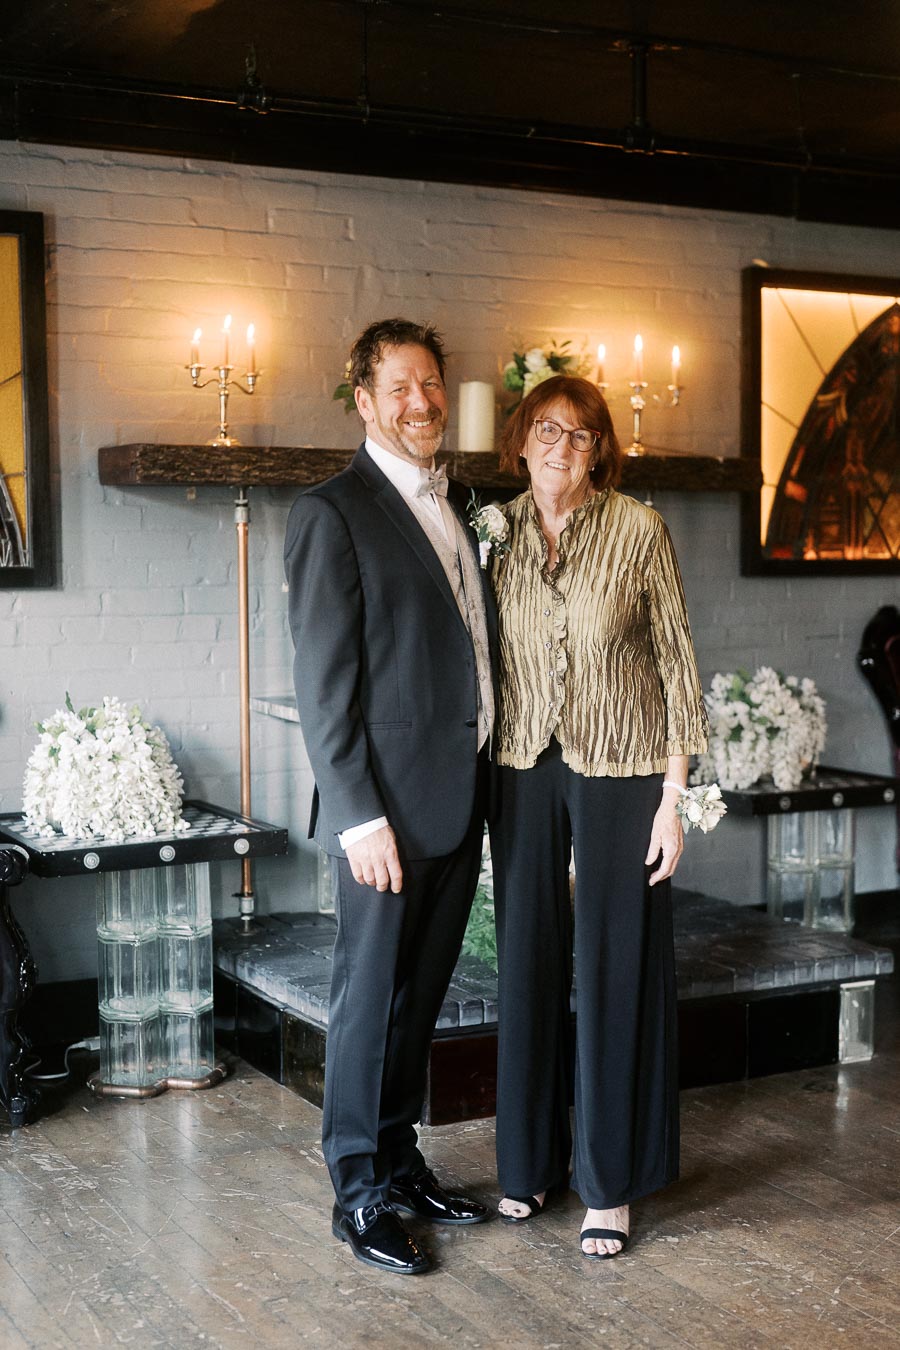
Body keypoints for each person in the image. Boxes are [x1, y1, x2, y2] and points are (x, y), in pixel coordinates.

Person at [284, 318, 497, 1275]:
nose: (422, 402)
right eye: (399, 387)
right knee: (369, 1000)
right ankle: (357, 1191)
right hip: (386, 814)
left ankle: (403, 1162)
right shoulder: (333, 512)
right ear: (364, 401)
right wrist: (359, 813)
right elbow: (325, 684)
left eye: (432, 384)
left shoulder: (464, 507)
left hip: (461, 794)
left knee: (420, 1001)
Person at [488, 374, 708, 1259]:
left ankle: (610, 1184)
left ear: (601, 449)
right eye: (548, 429)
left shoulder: (640, 529)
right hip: (520, 765)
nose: (562, 447)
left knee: (617, 965)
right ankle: (526, 1164)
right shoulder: (491, 531)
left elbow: (680, 665)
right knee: (528, 960)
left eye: (581, 435)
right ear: (521, 438)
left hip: (623, 770)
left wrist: (673, 798)